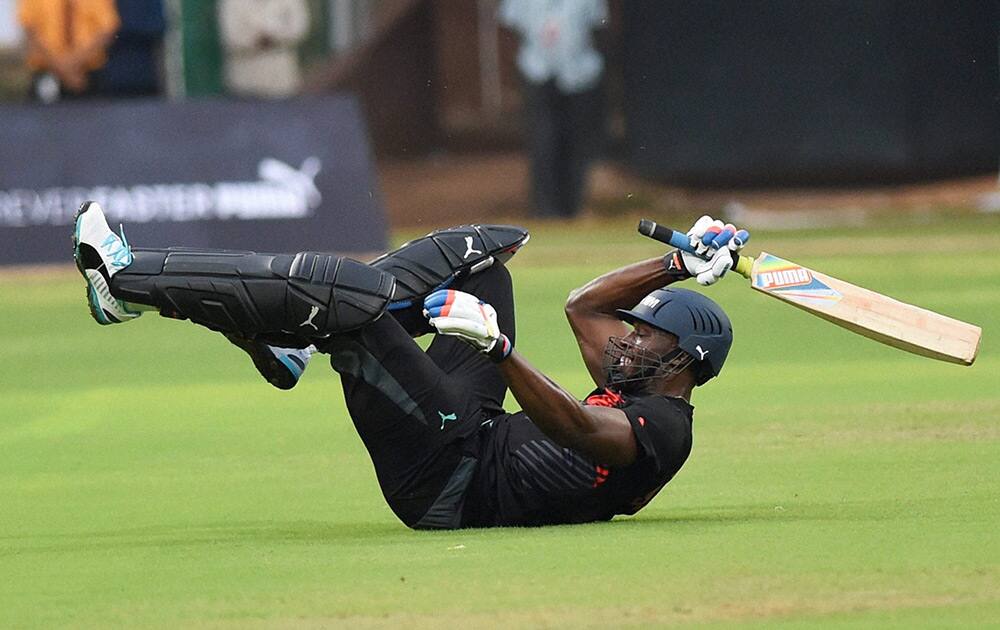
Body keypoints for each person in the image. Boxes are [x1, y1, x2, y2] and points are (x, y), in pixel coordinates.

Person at [72, 201, 747, 528]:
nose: (623, 342)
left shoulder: (665, 424)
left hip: (449, 480)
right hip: (471, 432)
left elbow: (577, 429)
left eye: (644, 338)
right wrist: (677, 263)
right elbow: (581, 306)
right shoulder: (638, 379)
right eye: (630, 332)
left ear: (684, 362)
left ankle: (127, 281)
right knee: (484, 257)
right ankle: (295, 340)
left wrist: (500, 351)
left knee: (345, 294)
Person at [500, 0, 608, 218]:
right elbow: (508, 29)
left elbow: (600, 27)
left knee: (578, 140)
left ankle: (574, 206)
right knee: (543, 140)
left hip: (580, 73)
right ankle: (545, 209)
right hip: (536, 70)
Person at [17, 0, 120, 102]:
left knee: (95, 116)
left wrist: (72, 63)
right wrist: (63, 69)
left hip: (88, 76)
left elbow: (107, 31)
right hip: (47, 75)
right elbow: (29, 31)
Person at [217, 0, 310, 99]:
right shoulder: (230, 2)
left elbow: (299, 29)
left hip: (281, 84)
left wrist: (275, 37)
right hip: (243, 85)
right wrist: (257, 40)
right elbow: (231, 37)